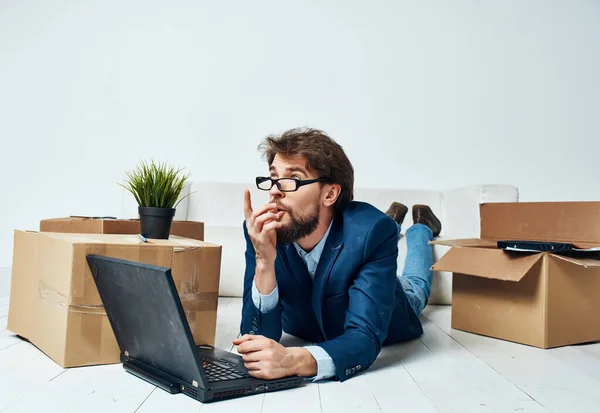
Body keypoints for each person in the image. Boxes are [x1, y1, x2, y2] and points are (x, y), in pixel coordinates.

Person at [233, 128, 442, 382]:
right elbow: (255, 338)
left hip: (394, 304)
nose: (275, 190)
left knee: (416, 286)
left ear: (330, 194)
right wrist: (264, 262)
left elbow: (363, 338)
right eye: (274, 177)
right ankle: (393, 219)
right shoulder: (262, 232)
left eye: (293, 178)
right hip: (361, 240)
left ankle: (422, 227)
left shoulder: (372, 233)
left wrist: (293, 359)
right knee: (372, 230)